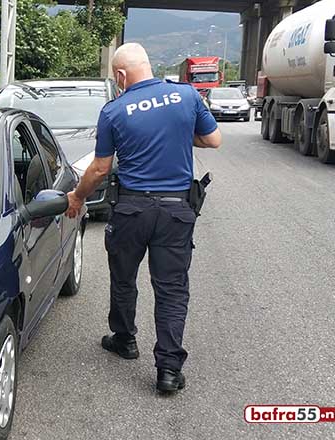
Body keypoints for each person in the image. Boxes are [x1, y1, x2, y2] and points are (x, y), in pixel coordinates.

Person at [65, 43, 222, 393]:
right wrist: (179, 135)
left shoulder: (114, 110)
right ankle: (168, 370)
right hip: (176, 210)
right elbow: (213, 140)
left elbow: (101, 168)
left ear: (121, 75)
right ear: (148, 66)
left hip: (132, 210)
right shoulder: (186, 96)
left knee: (123, 277)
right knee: (171, 289)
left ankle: (125, 340)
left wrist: (77, 197)